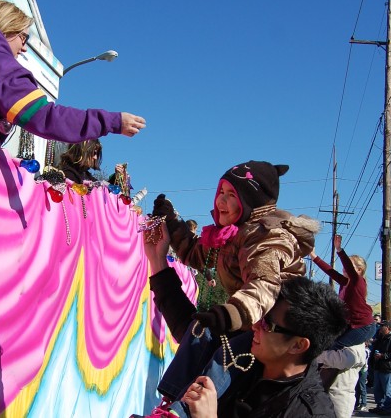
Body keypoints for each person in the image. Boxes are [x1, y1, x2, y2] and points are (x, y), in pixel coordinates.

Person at [147, 160, 320, 404]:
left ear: (251, 201)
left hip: (273, 325)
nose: (221, 201)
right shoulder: (233, 234)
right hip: (249, 319)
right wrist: (172, 223)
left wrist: (230, 314)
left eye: (232, 195)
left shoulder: (267, 236)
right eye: (220, 192)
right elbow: (196, 253)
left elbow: (264, 285)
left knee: (226, 355)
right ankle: (172, 399)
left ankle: (182, 407)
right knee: (200, 333)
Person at [0, 0, 146, 144]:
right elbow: (45, 117)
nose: (24, 47)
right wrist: (113, 121)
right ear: (9, 30)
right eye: (24, 37)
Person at [180, 277, 348, 418]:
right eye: (261, 317)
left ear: (298, 345)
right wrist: (158, 259)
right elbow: (192, 329)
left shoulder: (310, 413)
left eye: (267, 324)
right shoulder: (243, 359)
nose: (255, 326)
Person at [310, 235, 375, 347]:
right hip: (351, 325)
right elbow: (330, 271)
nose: (344, 267)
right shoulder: (345, 283)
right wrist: (313, 256)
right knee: (325, 343)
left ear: (359, 270)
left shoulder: (358, 281)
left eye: (349, 265)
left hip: (364, 326)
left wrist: (339, 249)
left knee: (335, 346)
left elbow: (348, 266)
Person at [316, 343, 366, 417]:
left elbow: (345, 360)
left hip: (339, 397)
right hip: (321, 393)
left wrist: (314, 356)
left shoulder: (357, 340)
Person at [370, 321, 391, 415]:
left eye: (383, 326)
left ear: (388, 328)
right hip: (377, 366)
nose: (380, 328)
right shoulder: (379, 338)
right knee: (377, 389)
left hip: (387, 368)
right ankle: (380, 406)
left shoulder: (390, 339)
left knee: (387, 390)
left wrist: (382, 356)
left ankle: (388, 408)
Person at [355, 341, 371, 412]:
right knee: (357, 387)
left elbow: (363, 361)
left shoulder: (366, 350)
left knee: (362, 387)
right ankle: (356, 403)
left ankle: (364, 403)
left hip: (363, 371)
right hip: (358, 370)